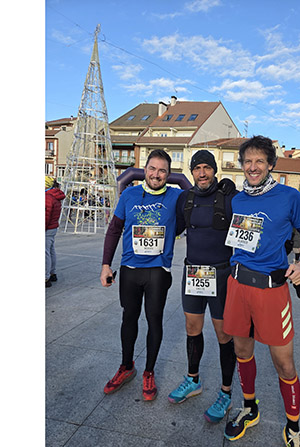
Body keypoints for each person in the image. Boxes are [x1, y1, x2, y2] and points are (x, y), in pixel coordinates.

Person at [222, 136, 300, 447]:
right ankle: (250, 409)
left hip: (271, 291)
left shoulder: (289, 196)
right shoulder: (238, 199)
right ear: (242, 165)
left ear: (270, 165)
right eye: (248, 162)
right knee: (242, 352)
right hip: (237, 285)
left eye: (259, 161)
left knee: (283, 362)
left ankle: (293, 424)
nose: (253, 167)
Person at [100, 149, 183, 401]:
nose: (156, 174)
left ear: (169, 175)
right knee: (129, 318)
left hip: (158, 270)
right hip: (130, 269)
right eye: (152, 168)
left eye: (162, 171)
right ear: (144, 169)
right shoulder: (129, 194)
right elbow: (114, 229)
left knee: (154, 320)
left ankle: (149, 371)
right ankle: (127, 367)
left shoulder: (177, 197)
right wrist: (106, 264)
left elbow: (198, 207)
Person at [168, 150, 238, 423]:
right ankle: (193, 379)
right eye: (197, 168)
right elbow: (171, 225)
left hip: (221, 274)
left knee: (224, 335)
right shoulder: (185, 199)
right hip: (193, 272)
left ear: (215, 170)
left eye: (207, 167)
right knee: (192, 328)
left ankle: (226, 392)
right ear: (191, 172)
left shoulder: (229, 197)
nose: (202, 173)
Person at [46, 176, 65, 288]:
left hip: (47, 227)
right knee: (50, 250)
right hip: (53, 227)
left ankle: (45, 276)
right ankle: (52, 272)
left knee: (45, 253)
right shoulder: (55, 195)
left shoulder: (47, 197)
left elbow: (46, 215)